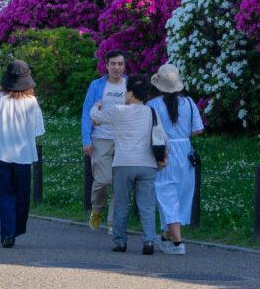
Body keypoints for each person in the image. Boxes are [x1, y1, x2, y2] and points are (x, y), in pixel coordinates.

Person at [91, 73, 166, 255]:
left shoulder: (119, 110)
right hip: (147, 164)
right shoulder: (152, 112)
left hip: (123, 163)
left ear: (130, 93)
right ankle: (148, 241)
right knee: (147, 205)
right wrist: (163, 158)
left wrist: (96, 106)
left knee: (122, 204)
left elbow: (96, 117)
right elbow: (162, 136)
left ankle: (120, 241)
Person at [0, 59, 45, 248]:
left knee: (3, 194)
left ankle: (8, 231)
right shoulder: (32, 101)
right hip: (23, 155)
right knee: (22, 195)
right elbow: (38, 130)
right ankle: (16, 228)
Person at [147, 63, 204, 255]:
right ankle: (166, 237)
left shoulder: (153, 105)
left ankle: (178, 243)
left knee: (166, 194)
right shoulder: (188, 103)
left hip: (163, 150)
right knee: (181, 194)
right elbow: (198, 129)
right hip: (185, 152)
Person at [81, 51, 128, 230]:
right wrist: (86, 139)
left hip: (123, 139)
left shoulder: (128, 85)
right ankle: (97, 209)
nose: (117, 67)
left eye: (120, 63)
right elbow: (87, 112)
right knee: (103, 180)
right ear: (106, 66)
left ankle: (112, 223)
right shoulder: (97, 85)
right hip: (100, 138)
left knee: (120, 182)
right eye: (113, 64)